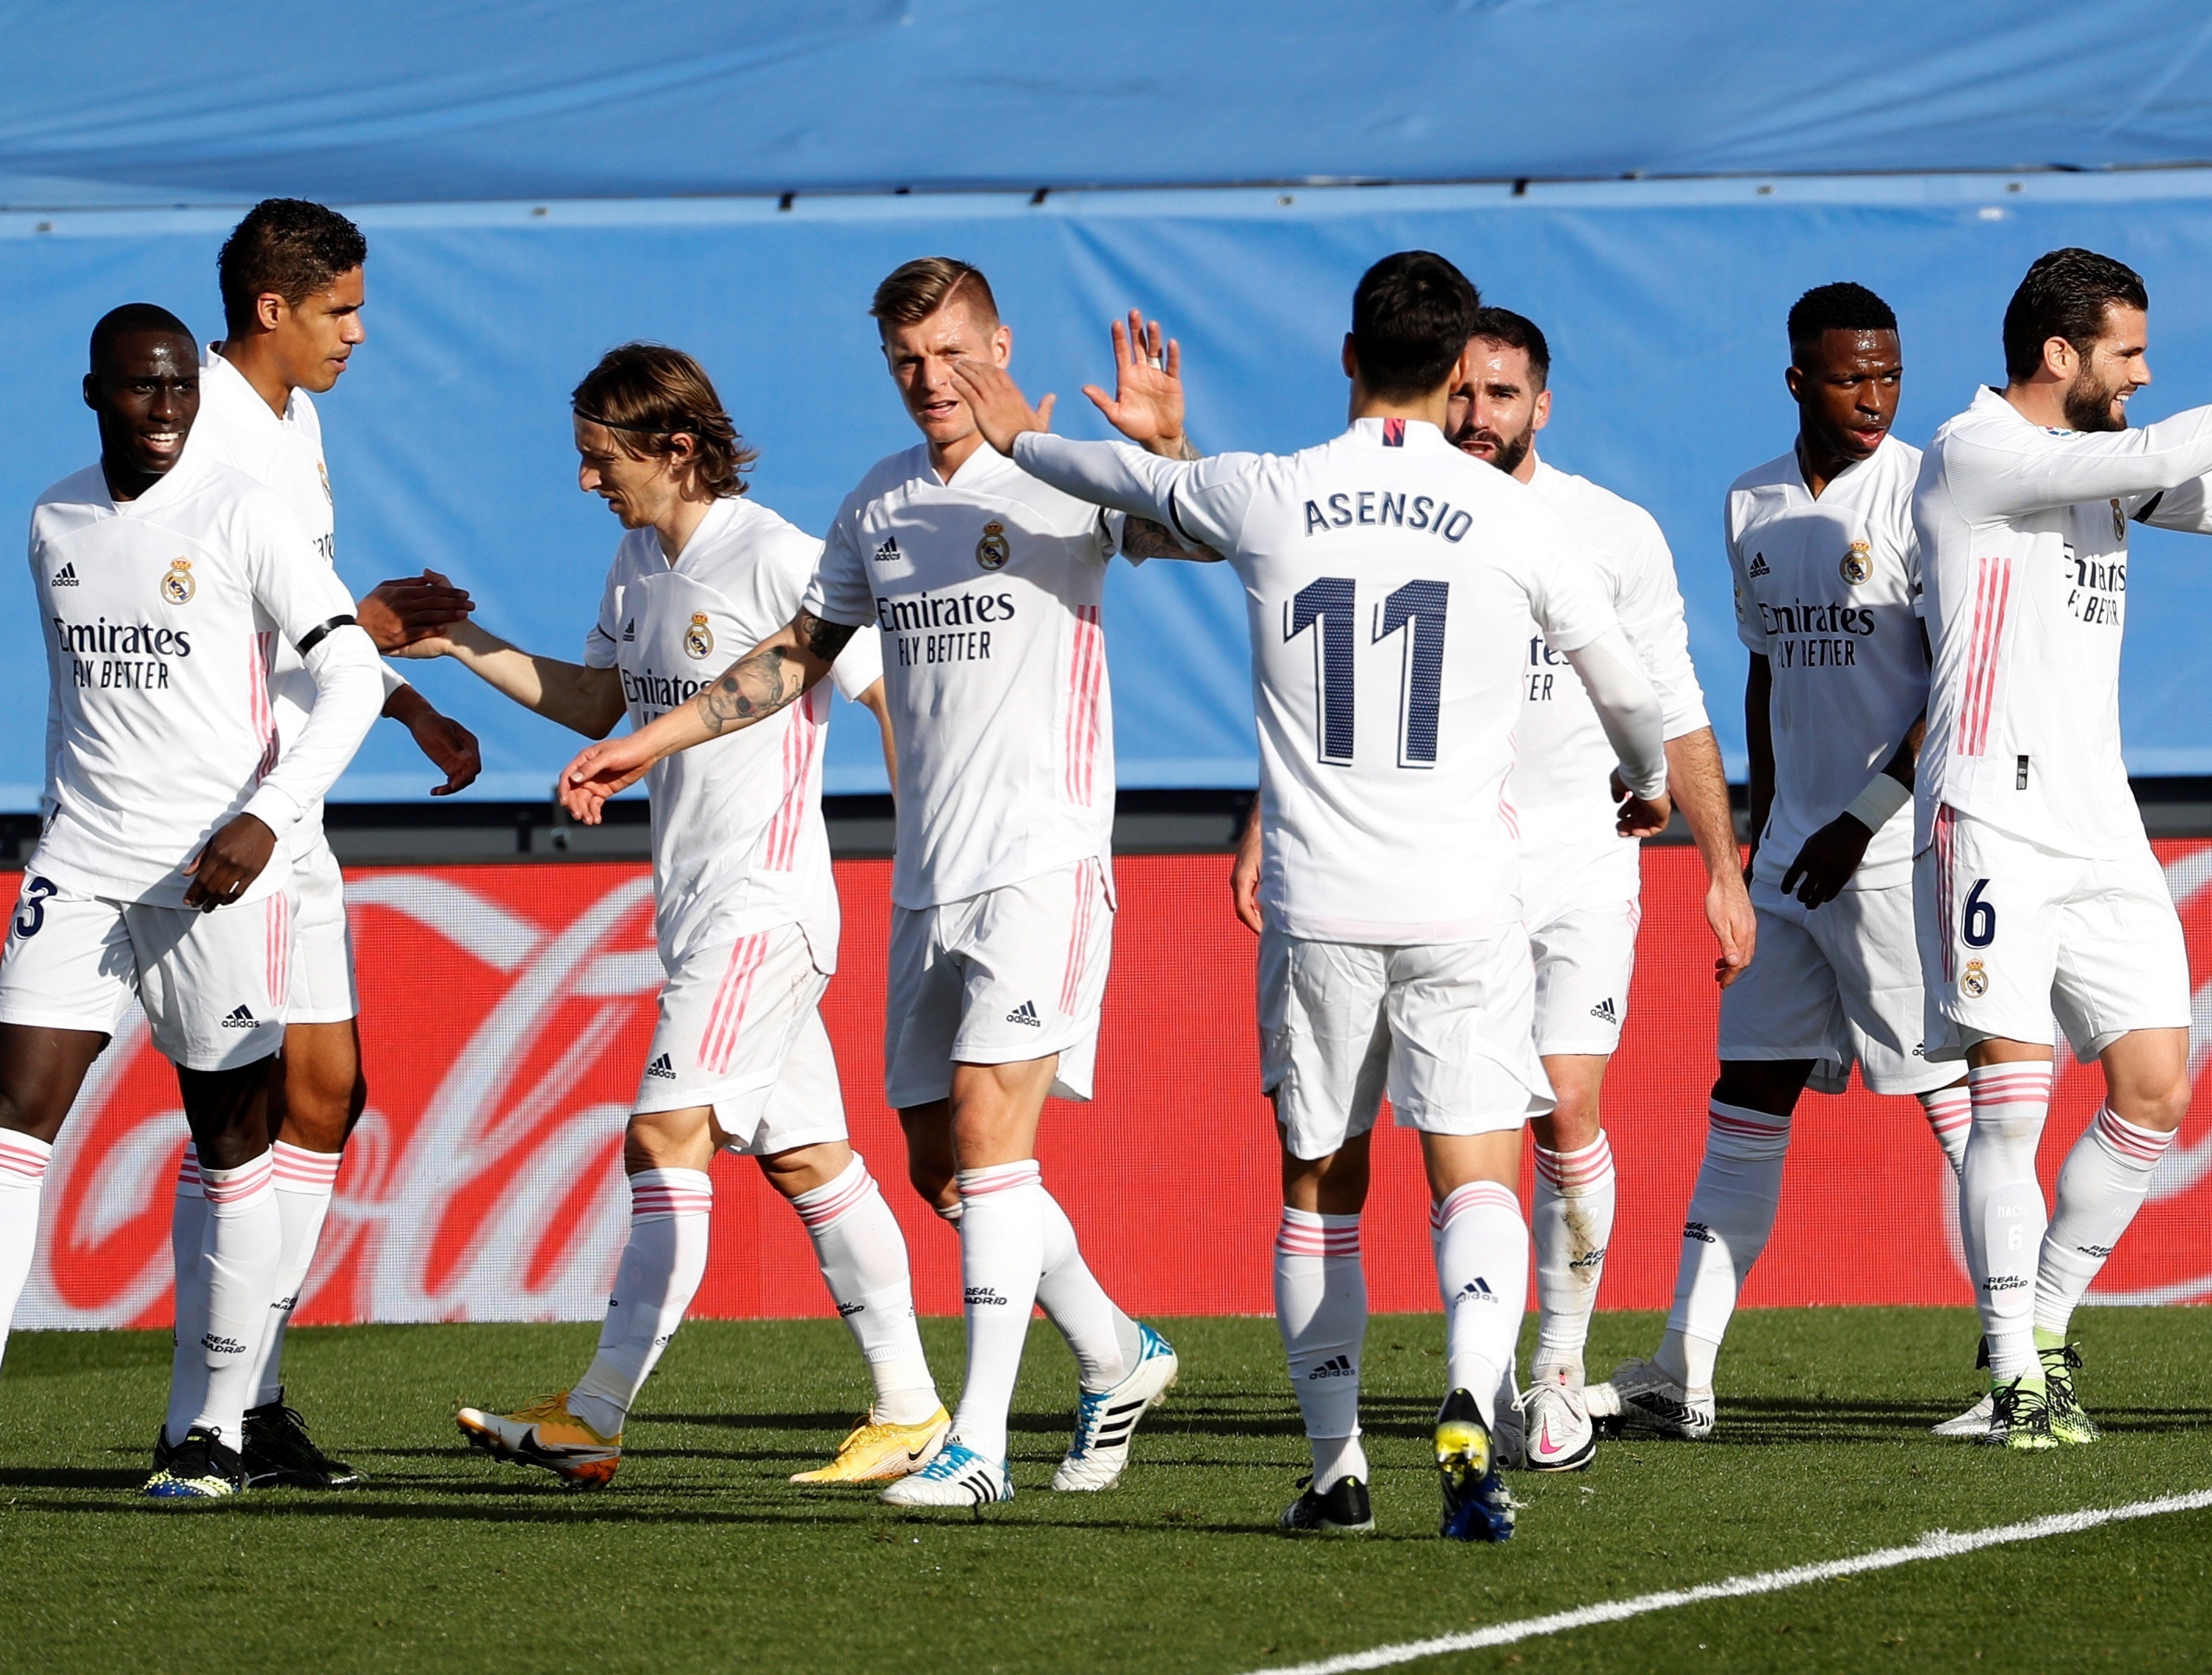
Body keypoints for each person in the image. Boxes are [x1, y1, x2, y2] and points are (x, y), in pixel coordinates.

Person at [941, 251, 1670, 1544]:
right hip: (1463, 905)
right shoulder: (1515, 519)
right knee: (1477, 1180)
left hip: (1317, 906)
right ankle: (1466, 1392)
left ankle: (1337, 1468)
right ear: (1460, 378)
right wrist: (1648, 777)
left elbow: (1112, 476)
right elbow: (1621, 680)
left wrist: (1006, 416)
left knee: (1318, 1188)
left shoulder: (1270, 491)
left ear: (1346, 357)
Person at [558, 261, 1199, 1511]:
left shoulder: (1068, 473)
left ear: (999, 343)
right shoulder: (878, 504)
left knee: (988, 1138)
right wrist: (649, 737)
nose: (931, 381)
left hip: (1047, 859)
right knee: (936, 1169)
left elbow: (1189, 534)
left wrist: (1165, 453)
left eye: (953, 353)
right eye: (908, 360)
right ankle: (1121, 1353)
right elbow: (802, 653)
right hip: (928, 881)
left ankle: (978, 1443)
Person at [0, 307, 388, 1506]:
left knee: (232, 1144)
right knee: (8, 1116)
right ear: (92, 391)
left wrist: (271, 816)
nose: (165, 410)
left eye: (180, 388)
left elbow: (349, 670)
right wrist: (58, 819)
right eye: (142, 389)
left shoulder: (243, 511)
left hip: (215, 875)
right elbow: (73, 702)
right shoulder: (55, 520)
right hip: (82, 865)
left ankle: (209, 1434)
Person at [405, 344, 951, 1488]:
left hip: (765, 907)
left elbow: (887, 693)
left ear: (677, 448)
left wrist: (928, 855)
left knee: (662, 1136)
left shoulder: (783, 554)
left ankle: (596, 1413)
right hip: (699, 913)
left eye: (602, 459)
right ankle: (909, 1410)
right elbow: (602, 702)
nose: (587, 481)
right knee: (809, 1162)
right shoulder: (634, 561)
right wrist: (460, 645)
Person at [1917, 247, 2212, 1451]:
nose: (2147, 374)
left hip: (2097, 824)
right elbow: (2159, 453)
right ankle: (2011, 1366)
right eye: (2129, 352)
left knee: (2156, 1087)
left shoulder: (2093, 468)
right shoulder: (1977, 452)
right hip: (1992, 818)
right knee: (2010, 1104)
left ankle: (2045, 1336)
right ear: (2060, 356)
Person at [1608, 281, 1980, 1446]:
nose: (1874, 397)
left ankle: (2021, 1358)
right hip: (1790, 858)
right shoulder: (1751, 502)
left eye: (1890, 375)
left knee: (1955, 1105)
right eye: (1849, 377)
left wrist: (1861, 815)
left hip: (1890, 853)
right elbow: (1772, 670)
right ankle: (1683, 1366)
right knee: (1747, 1095)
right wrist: (1767, 828)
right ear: (1797, 381)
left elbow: (1960, 686)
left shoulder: (1931, 492)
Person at [160, 196, 482, 1490]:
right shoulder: (201, 428)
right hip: (224, 815)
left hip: (298, 799)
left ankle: (256, 1397)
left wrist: (398, 697)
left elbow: (316, 621)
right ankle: (208, 1414)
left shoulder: (301, 417)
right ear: (272, 308)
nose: (360, 332)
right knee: (241, 1119)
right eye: (341, 310)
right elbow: (195, 616)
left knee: (327, 1098)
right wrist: (377, 631)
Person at [1427, 306, 1744, 1471]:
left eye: (1501, 395)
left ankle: (1559, 1364)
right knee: (1474, 1134)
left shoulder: (1612, 532)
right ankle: (1487, 1368)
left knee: (1565, 1110)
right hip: (1447, 863)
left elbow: (1674, 700)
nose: (1478, 417)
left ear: (1541, 407)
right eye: (1461, 394)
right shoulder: (1405, 524)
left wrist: (1720, 864)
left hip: (1583, 861)